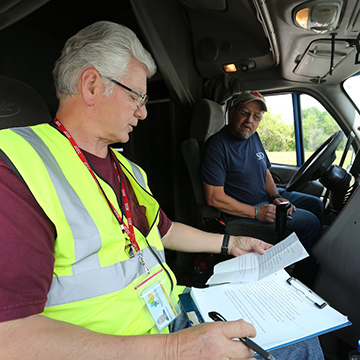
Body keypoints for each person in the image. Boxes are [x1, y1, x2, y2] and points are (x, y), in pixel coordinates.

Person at [0, 21, 324, 359]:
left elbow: (163, 230)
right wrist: (176, 348)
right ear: (92, 85)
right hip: (130, 345)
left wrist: (230, 243)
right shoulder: (16, 169)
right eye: (136, 96)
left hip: (169, 312)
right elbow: (7, 339)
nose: (142, 112)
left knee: (304, 331)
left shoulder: (128, 169)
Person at [202, 91, 324, 284]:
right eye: (244, 112)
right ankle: (303, 280)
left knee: (316, 204)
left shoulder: (253, 136)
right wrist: (257, 212)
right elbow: (214, 198)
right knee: (309, 223)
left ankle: (306, 264)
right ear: (232, 112)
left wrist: (275, 196)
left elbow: (265, 171)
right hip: (244, 213)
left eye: (256, 116)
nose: (250, 120)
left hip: (265, 199)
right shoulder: (217, 146)